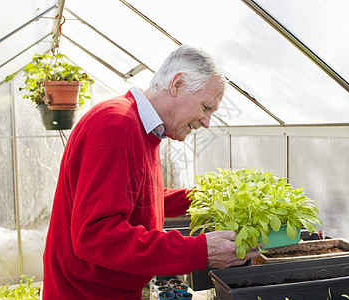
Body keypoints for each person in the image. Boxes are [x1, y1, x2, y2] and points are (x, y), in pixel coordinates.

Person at [42, 45, 260, 299]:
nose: (206, 121)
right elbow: (96, 234)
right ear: (177, 85)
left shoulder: (141, 129)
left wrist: (205, 198)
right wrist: (199, 250)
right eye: (206, 107)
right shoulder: (116, 126)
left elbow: (138, 196)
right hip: (85, 293)